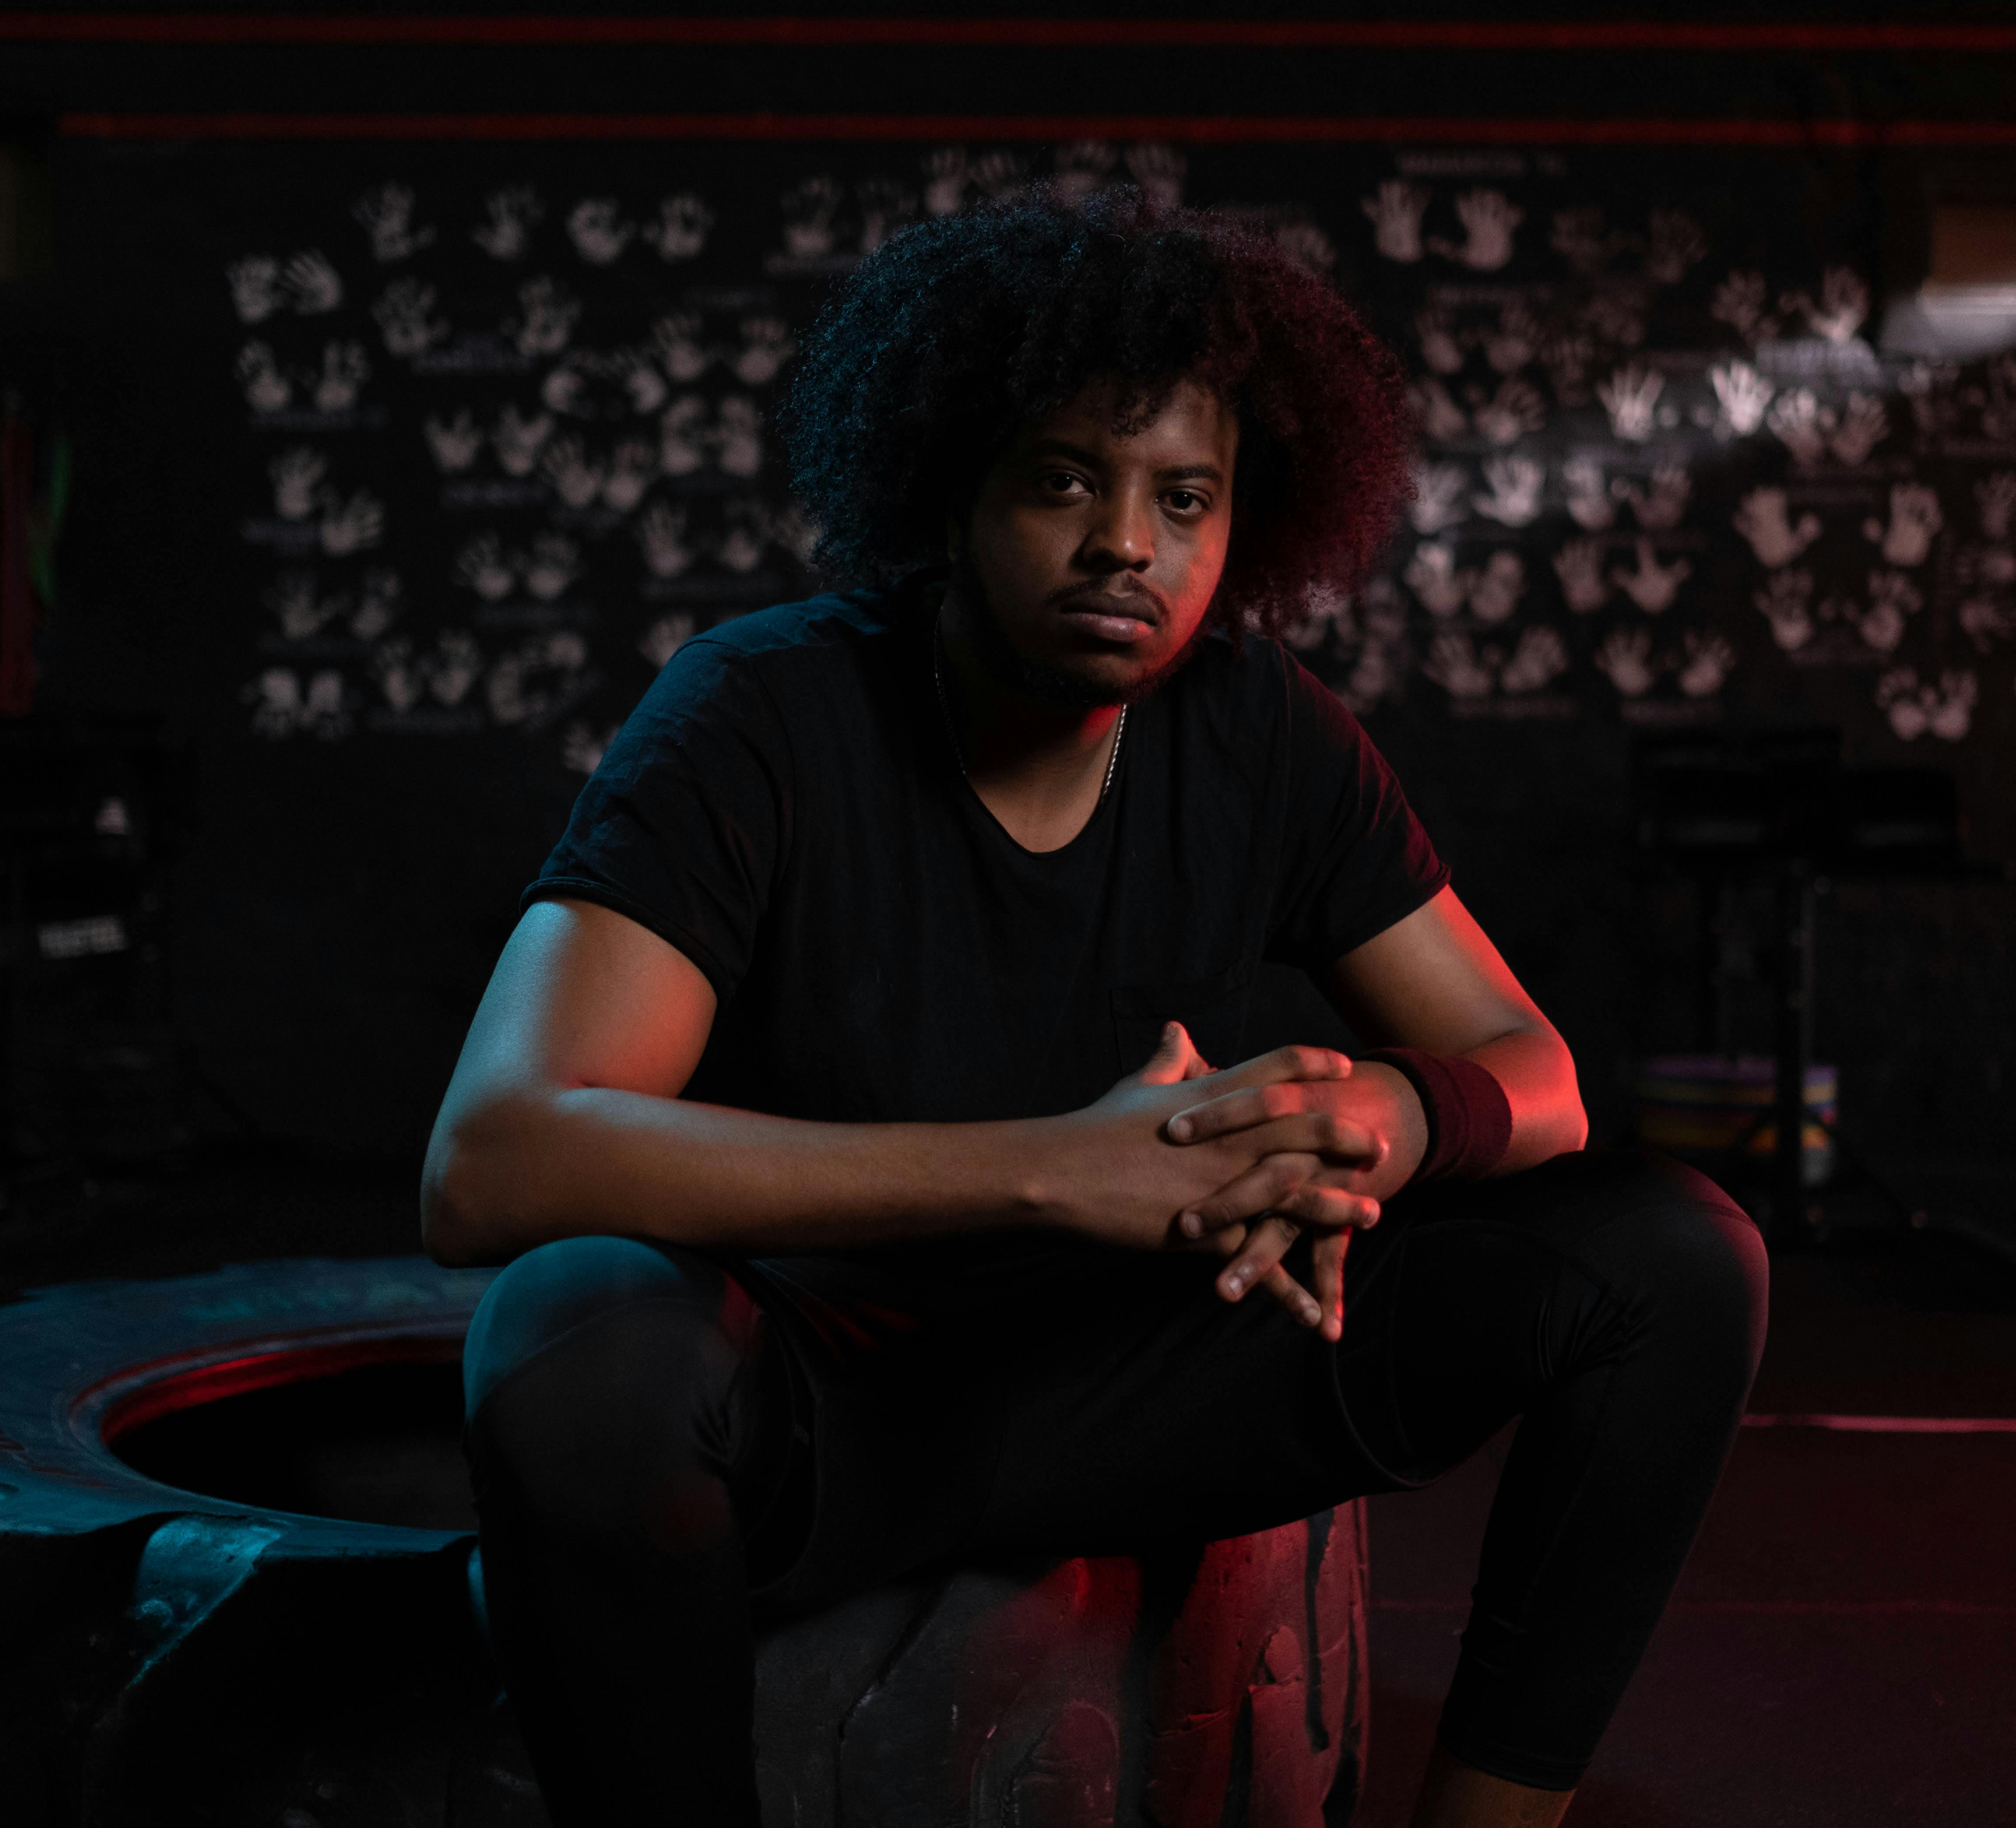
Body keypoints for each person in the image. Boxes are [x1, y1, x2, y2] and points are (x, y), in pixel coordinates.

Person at [422, 186, 1766, 1828]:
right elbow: (493, 1161)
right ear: (953, 486)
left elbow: (1535, 1072)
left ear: (1239, 526)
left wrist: (1379, 1119)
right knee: (570, 1336)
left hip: (1167, 1383)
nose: (1126, 541)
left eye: (1184, 498)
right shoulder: (761, 714)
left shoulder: (1260, 727)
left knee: (1678, 1252)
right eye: (1067, 479)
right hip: (845, 1410)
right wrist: (1062, 1166)